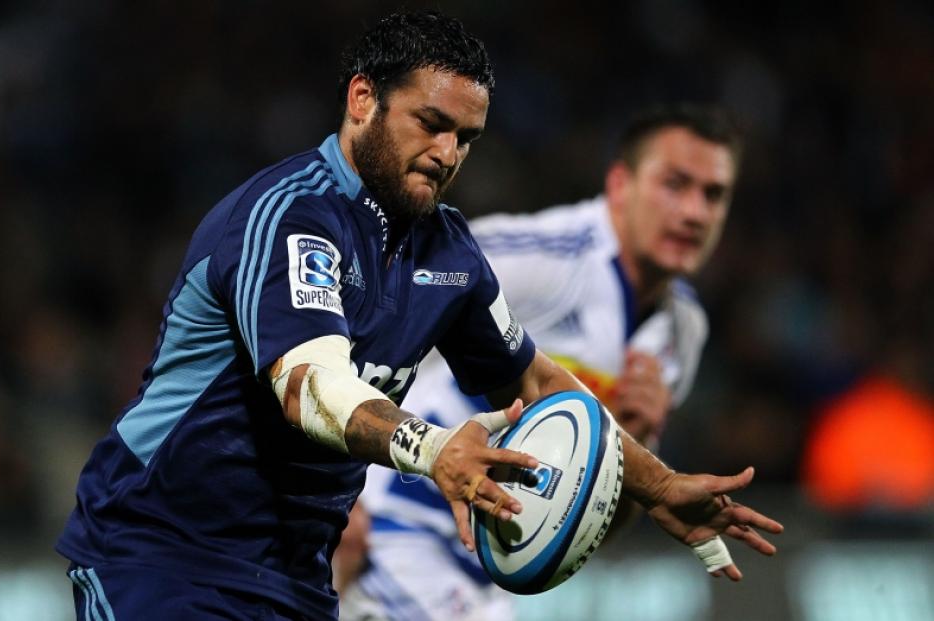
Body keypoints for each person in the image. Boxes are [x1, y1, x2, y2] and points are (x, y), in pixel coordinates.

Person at [57, 12, 782, 621]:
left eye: (465, 138)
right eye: (431, 124)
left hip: (295, 576)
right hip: (162, 556)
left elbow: (530, 376)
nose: (446, 154)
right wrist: (434, 449)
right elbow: (310, 384)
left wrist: (658, 487)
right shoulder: (290, 217)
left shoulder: (450, 251)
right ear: (362, 98)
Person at [340, 103, 744, 621]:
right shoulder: (538, 259)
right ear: (621, 184)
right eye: (675, 184)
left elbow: (593, 526)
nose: (694, 212)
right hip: (389, 528)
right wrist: (332, 492)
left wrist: (636, 442)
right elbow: (358, 303)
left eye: (714, 195)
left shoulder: (683, 334)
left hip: (481, 575)